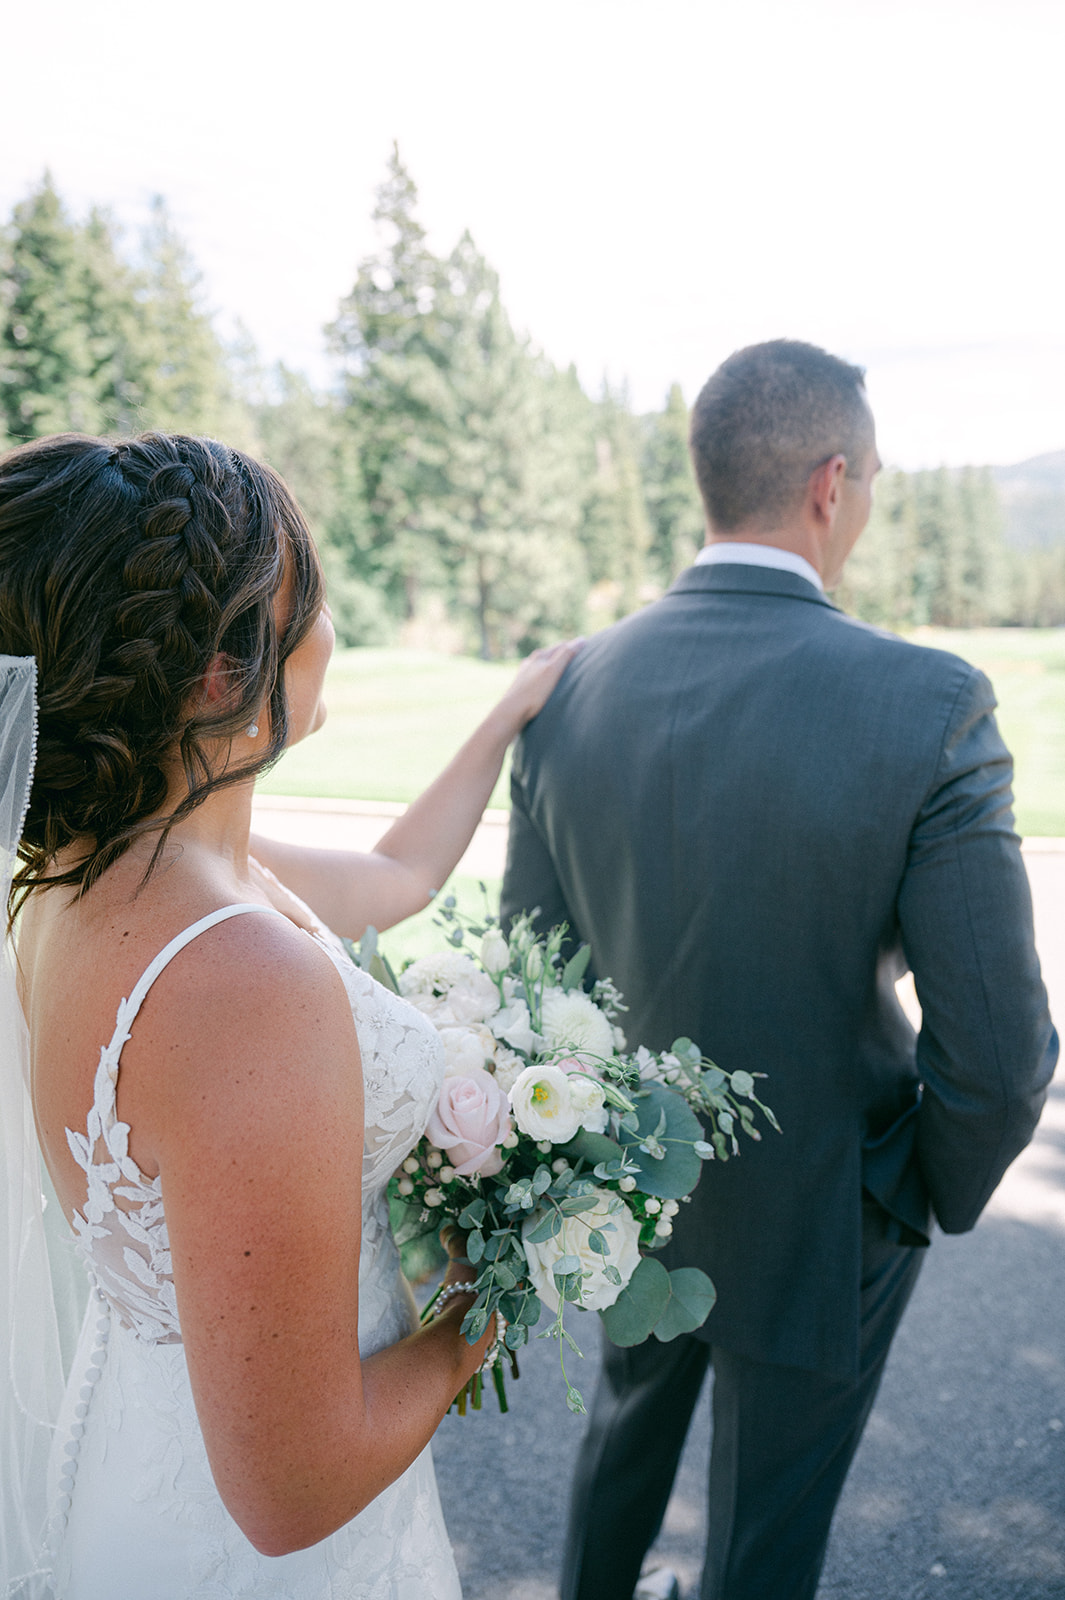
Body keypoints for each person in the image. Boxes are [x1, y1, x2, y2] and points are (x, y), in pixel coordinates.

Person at [500, 340, 1058, 1600]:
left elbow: (531, 989)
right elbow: (1003, 1055)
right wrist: (908, 1191)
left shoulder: (569, 688)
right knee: (768, 1535)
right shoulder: (928, 703)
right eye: (872, 484)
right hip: (828, 1209)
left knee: (621, 1439)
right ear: (830, 481)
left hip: (629, 1194)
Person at [0, 429, 580, 1600]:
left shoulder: (94, 867)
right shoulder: (239, 979)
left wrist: (512, 709)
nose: (334, 629)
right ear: (222, 673)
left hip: (133, 1451)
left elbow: (394, 877)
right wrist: (488, 1297)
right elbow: (293, 1491)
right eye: (309, 598)